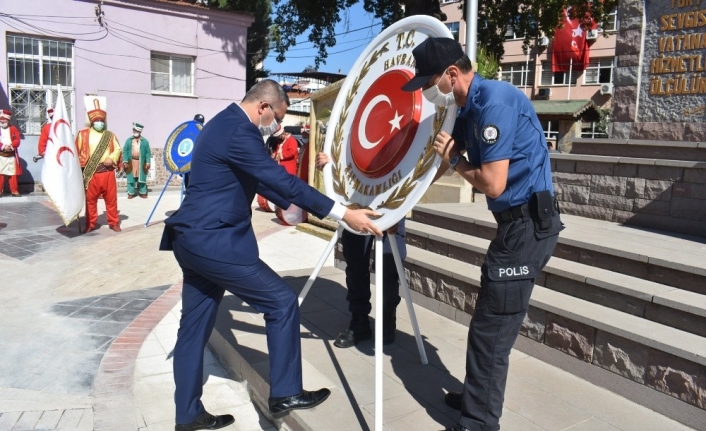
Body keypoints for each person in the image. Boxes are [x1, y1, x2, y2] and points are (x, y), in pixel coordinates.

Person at [159, 79, 382, 431]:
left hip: (191, 240)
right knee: (280, 302)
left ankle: (187, 415)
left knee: (193, 329)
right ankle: (286, 392)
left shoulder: (222, 123)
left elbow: (253, 179)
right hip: (215, 242)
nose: (277, 126)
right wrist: (341, 212)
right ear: (263, 106)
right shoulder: (240, 130)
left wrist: (289, 206)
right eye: (277, 117)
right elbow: (276, 177)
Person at [401, 37, 563, 431]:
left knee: (492, 329)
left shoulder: (494, 104)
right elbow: (444, 162)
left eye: (430, 82)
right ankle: (477, 398)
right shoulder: (467, 107)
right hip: (515, 225)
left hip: (527, 227)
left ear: (452, 74)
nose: (427, 91)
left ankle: (478, 422)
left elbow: (491, 182)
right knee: (487, 322)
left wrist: (455, 160)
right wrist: (401, 197)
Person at [315, 152, 406, 347]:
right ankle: (359, 321)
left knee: (389, 266)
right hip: (356, 199)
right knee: (356, 263)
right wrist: (328, 166)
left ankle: (387, 318)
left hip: (392, 197)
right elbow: (342, 145)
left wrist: (398, 211)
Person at [75, 103, 122, 233]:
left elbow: (118, 149)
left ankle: (113, 222)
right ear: (92, 122)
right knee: (90, 201)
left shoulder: (110, 135)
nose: (100, 123)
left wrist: (111, 158)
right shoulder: (83, 134)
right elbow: (76, 152)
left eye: (102, 121)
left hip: (107, 172)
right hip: (91, 173)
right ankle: (90, 223)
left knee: (111, 200)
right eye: (97, 121)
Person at [122, 122, 151, 199]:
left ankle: (143, 192)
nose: (135, 132)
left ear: (140, 132)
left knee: (141, 178)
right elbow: (125, 151)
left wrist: (148, 162)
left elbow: (148, 153)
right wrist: (125, 161)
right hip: (131, 161)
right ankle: (131, 193)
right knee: (131, 178)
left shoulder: (145, 141)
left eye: (137, 131)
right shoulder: (129, 140)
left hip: (141, 162)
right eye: (134, 130)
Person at [0, 109, 22, 197]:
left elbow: (17, 139)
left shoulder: (13, 129)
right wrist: (3, 146)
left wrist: (11, 146)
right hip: (1, 155)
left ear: (8, 120)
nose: (2, 120)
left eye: (4, 119)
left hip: (11, 155)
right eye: (1, 119)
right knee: (0, 173)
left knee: (12, 174)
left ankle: (14, 191)